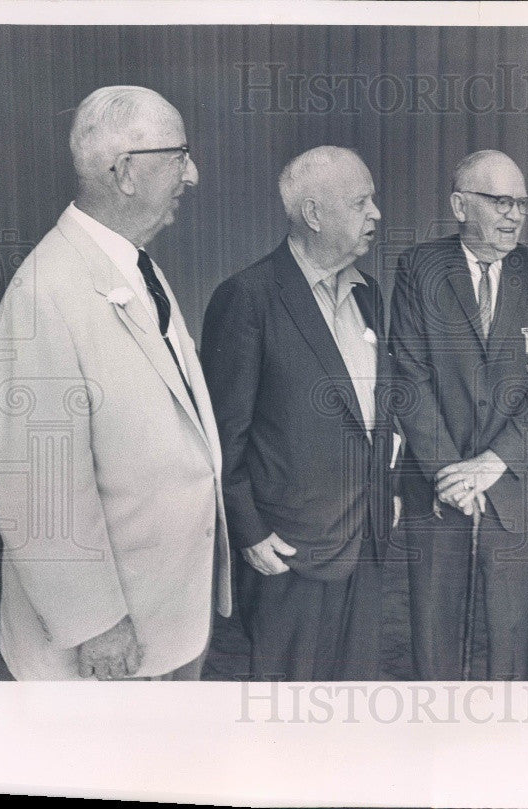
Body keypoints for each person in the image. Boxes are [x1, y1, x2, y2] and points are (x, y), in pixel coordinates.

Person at [0, 86, 231, 680]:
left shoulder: (134, 265)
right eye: (180, 155)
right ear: (124, 172)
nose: (192, 175)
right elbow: (38, 485)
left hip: (164, 620)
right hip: (108, 647)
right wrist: (95, 624)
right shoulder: (46, 292)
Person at [201, 146, 393, 681]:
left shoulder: (369, 294)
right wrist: (249, 532)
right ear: (313, 214)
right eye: (361, 203)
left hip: (366, 541)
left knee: (352, 705)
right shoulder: (247, 298)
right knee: (288, 714)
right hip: (288, 551)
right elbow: (222, 436)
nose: (376, 214)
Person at [390, 150, 528, 680]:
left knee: (511, 642)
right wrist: (451, 473)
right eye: (499, 201)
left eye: (521, 202)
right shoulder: (420, 267)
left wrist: (493, 462)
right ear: (460, 205)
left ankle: (507, 752)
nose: (514, 214)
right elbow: (410, 378)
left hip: (511, 484)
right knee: (435, 636)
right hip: (437, 488)